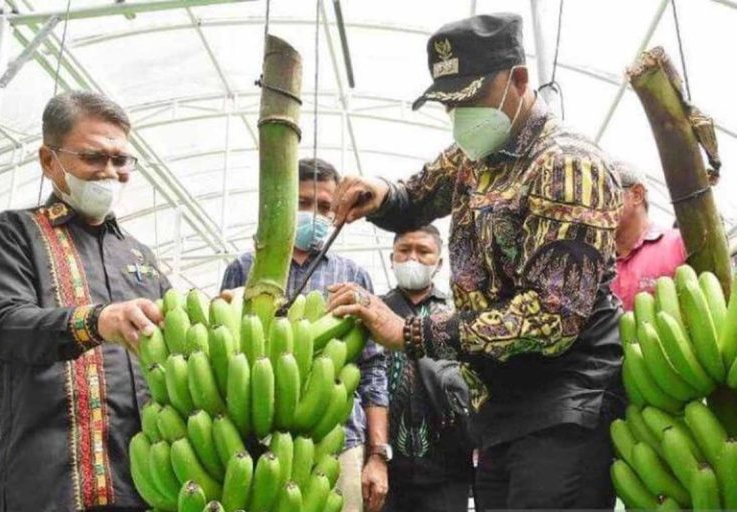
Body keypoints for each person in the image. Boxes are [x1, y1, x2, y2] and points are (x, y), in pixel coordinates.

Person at [326, 13, 625, 510]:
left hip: (562, 407)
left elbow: (551, 317)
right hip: (500, 411)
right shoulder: (475, 155)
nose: (459, 116)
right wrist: (380, 196)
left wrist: (411, 332)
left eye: (471, 100)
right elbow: (416, 196)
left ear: (519, 80)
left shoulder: (568, 165)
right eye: (449, 104)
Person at [0, 91, 170, 512]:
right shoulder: (13, 234)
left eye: (120, 160)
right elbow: (2, 325)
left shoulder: (139, 258)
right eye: (93, 157)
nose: (110, 172)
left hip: (142, 488)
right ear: (49, 161)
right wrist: (96, 322)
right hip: (47, 489)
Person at [221, 158, 389, 512]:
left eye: (325, 206)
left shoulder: (353, 275)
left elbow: (373, 369)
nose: (313, 213)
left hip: (338, 434)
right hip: (257, 436)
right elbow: (224, 353)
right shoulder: (245, 269)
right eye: (303, 202)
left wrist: (378, 456)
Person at [380, 225, 472, 512]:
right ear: (391, 257)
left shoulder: (458, 314)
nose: (412, 258)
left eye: (423, 251)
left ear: (440, 262)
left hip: (447, 466)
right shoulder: (377, 312)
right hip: (387, 467)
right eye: (404, 250)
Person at [611, 161, 687, 311]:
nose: (596, 207)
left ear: (637, 195)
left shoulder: (680, 245)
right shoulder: (595, 262)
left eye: (605, 195)